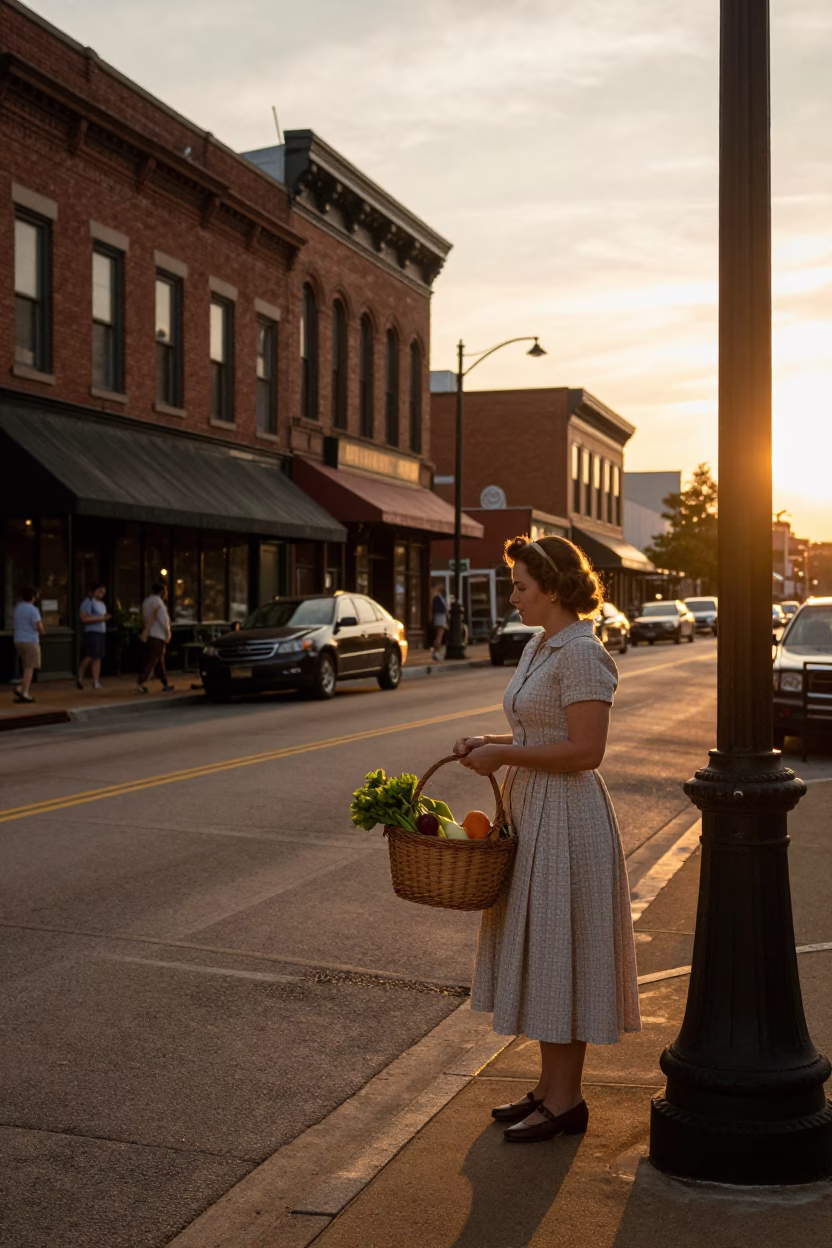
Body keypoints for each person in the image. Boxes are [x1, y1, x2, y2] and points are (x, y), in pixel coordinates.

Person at [453, 534, 640, 1144]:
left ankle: (567, 1101)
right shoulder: (541, 644)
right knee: (541, 952)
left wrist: (504, 753)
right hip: (533, 808)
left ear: (554, 590)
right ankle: (547, 1089)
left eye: (521, 587)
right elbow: (537, 727)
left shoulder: (582, 652)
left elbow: (588, 750)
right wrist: (489, 743)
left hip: (567, 817)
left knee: (563, 952)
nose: (513, 597)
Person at [138, 582, 175, 693]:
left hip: (149, 634)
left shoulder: (146, 601)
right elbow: (163, 620)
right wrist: (168, 633)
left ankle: (165, 683)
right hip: (158, 635)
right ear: (162, 591)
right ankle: (140, 682)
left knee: (158, 660)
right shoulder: (158, 603)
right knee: (153, 659)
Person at [76, 583, 111, 690]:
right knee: (90, 655)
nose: (102, 594)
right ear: (94, 591)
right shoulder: (88, 602)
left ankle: (96, 681)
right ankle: (80, 675)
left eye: (103, 592)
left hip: (101, 632)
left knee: (98, 657)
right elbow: (83, 618)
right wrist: (101, 618)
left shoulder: (102, 604)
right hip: (92, 632)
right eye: (100, 591)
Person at [13, 587, 45, 703]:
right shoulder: (33, 610)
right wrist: (42, 632)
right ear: (33, 597)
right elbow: (38, 625)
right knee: (29, 667)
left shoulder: (18, 608)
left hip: (18, 640)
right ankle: (24, 692)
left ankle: (21, 687)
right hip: (30, 640)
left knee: (25, 665)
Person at [431, 583, 449, 661]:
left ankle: (436, 652)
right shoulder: (437, 598)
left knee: (439, 637)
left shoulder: (441, 598)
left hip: (441, 618)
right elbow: (438, 609)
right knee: (439, 637)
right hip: (440, 618)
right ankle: (436, 653)